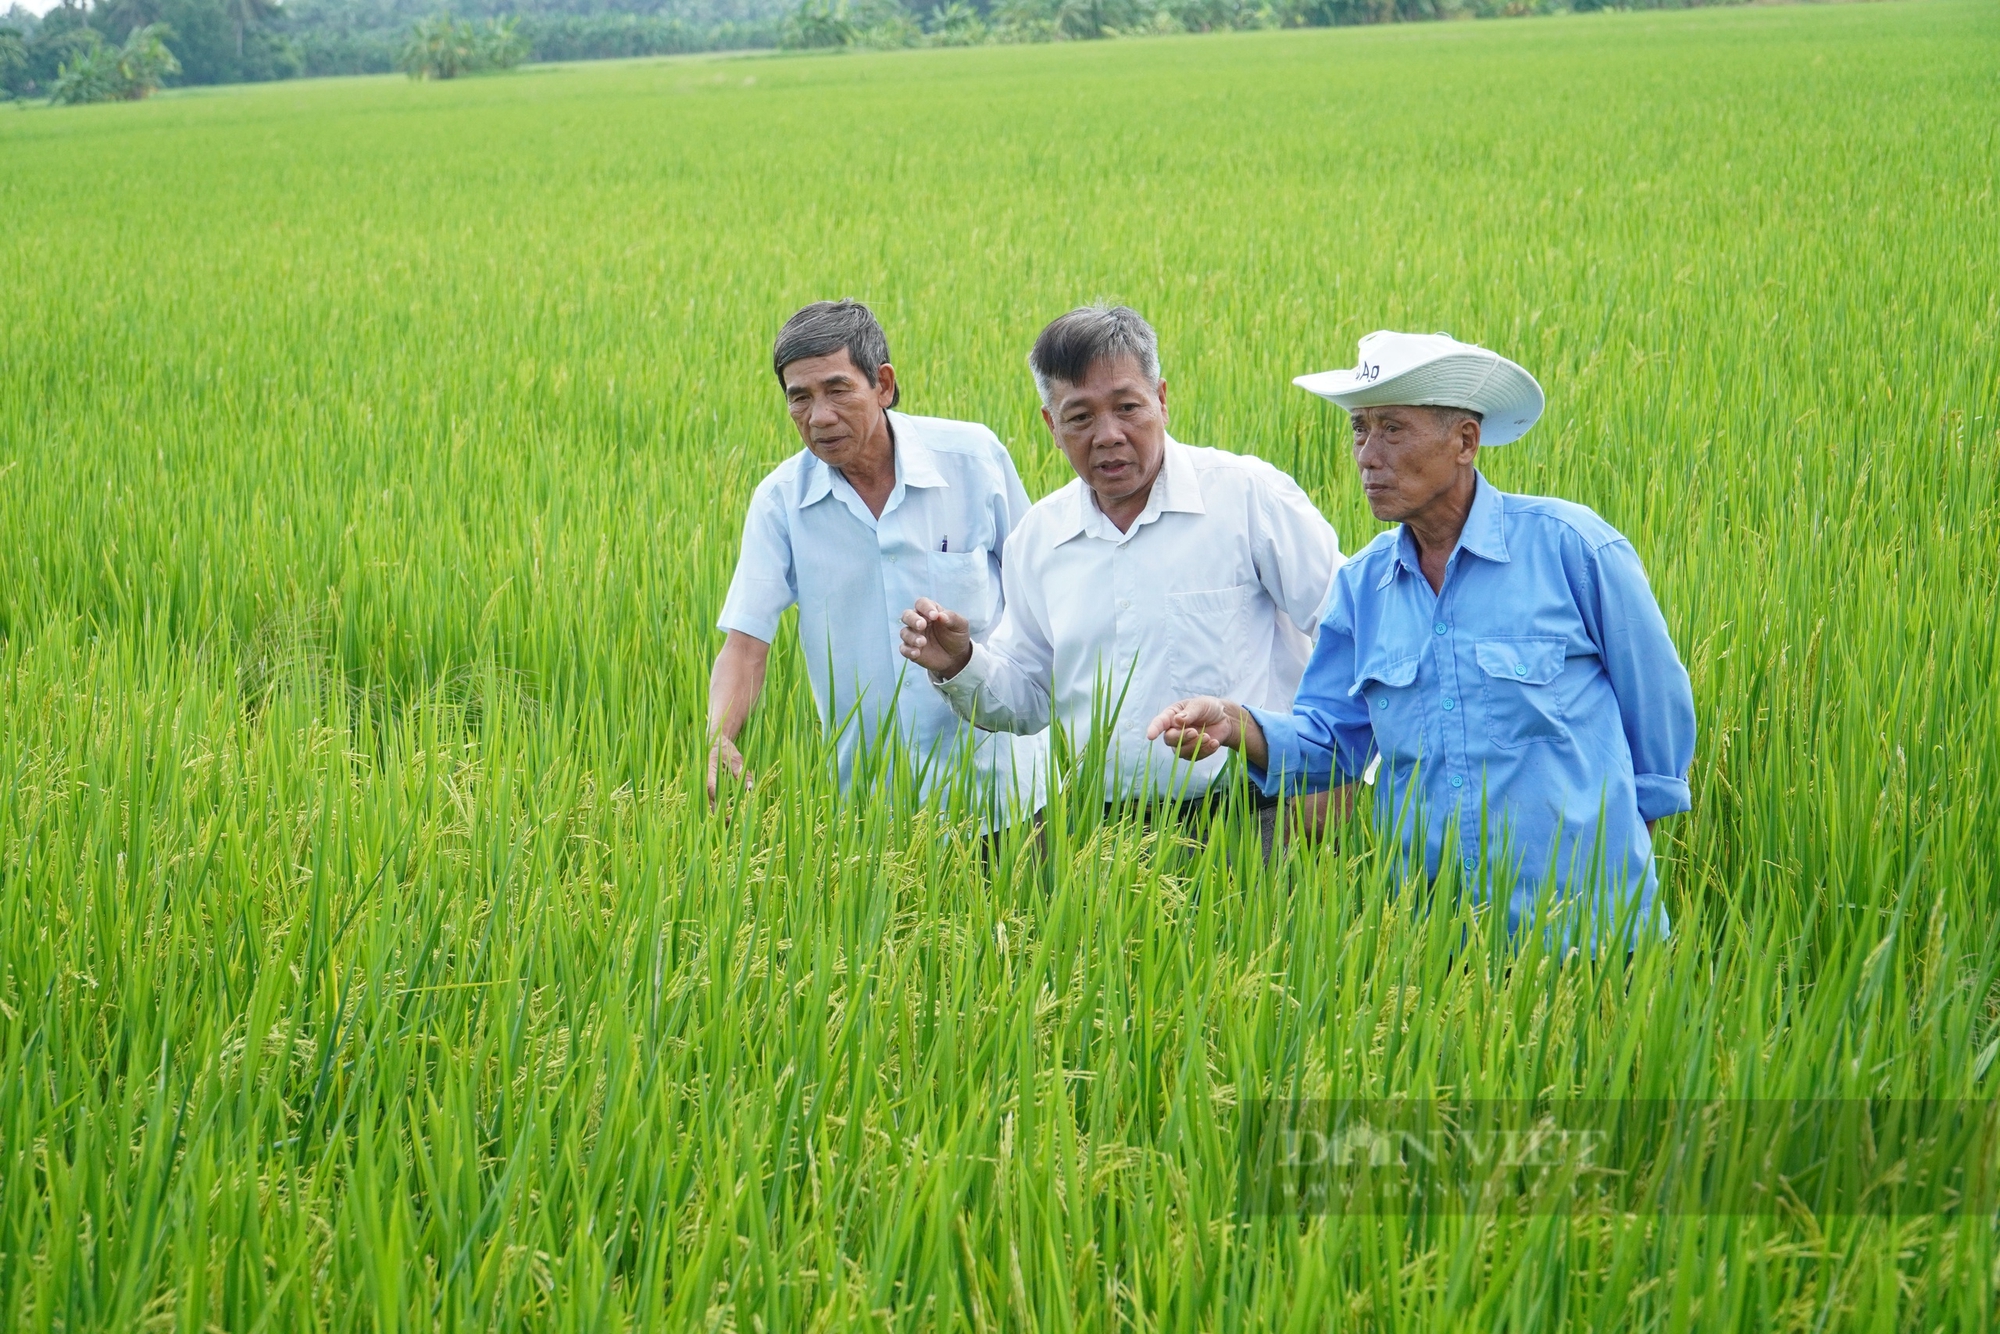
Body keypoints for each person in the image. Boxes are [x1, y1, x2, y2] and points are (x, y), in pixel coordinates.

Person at [1147, 330, 1696, 941]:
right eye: (1360, 429)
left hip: (1588, 929)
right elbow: (1332, 741)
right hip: (1434, 939)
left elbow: (1658, 709)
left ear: (1465, 440)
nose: (1366, 454)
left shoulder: (1572, 548)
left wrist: (1617, 852)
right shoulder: (1363, 588)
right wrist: (1232, 722)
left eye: (1393, 429)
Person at [897, 305, 1342, 837]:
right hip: (1101, 833)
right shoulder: (1039, 539)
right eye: (1080, 417)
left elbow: (1349, 627)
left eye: (1127, 407)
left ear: (1161, 400)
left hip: (1251, 821)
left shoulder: (1247, 498)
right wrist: (962, 663)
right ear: (1052, 427)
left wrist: (1331, 771)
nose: (1107, 435)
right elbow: (1031, 699)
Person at [709, 299, 1044, 818]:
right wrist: (719, 737)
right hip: (872, 804)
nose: (819, 417)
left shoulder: (972, 461)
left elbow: (1038, 597)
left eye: (837, 390)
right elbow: (746, 643)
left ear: (883, 385)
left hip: (1002, 792)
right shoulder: (781, 503)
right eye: (799, 398)